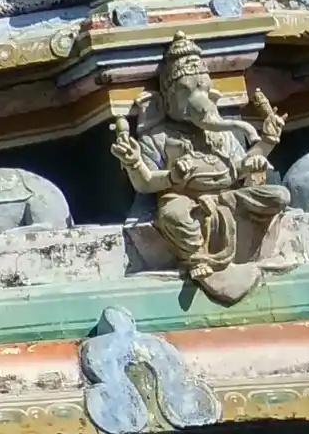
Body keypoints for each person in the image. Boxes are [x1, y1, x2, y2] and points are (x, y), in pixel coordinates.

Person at [112, 34, 291, 301]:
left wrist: (265, 143)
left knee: (280, 196)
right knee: (173, 214)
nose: (199, 99)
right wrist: (152, 168)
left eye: (203, 90)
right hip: (185, 201)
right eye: (186, 91)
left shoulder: (221, 133)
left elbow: (241, 166)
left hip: (229, 197)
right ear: (168, 99)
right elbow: (145, 183)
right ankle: (197, 256)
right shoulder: (156, 137)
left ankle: (242, 249)